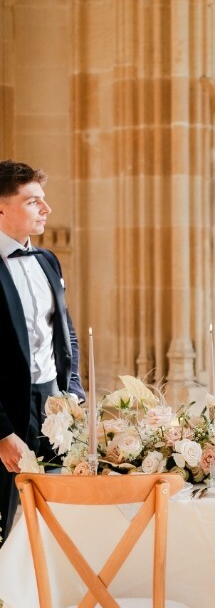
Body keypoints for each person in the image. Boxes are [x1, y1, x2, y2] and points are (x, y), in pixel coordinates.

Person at [0, 161, 85, 544]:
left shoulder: (48, 260)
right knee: (5, 523)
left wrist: (74, 395)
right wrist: (1, 432)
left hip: (53, 405)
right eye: (33, 202)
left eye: (43, 201)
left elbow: (65, 333)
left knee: (57, 517)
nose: (45, 210)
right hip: (7, 411)